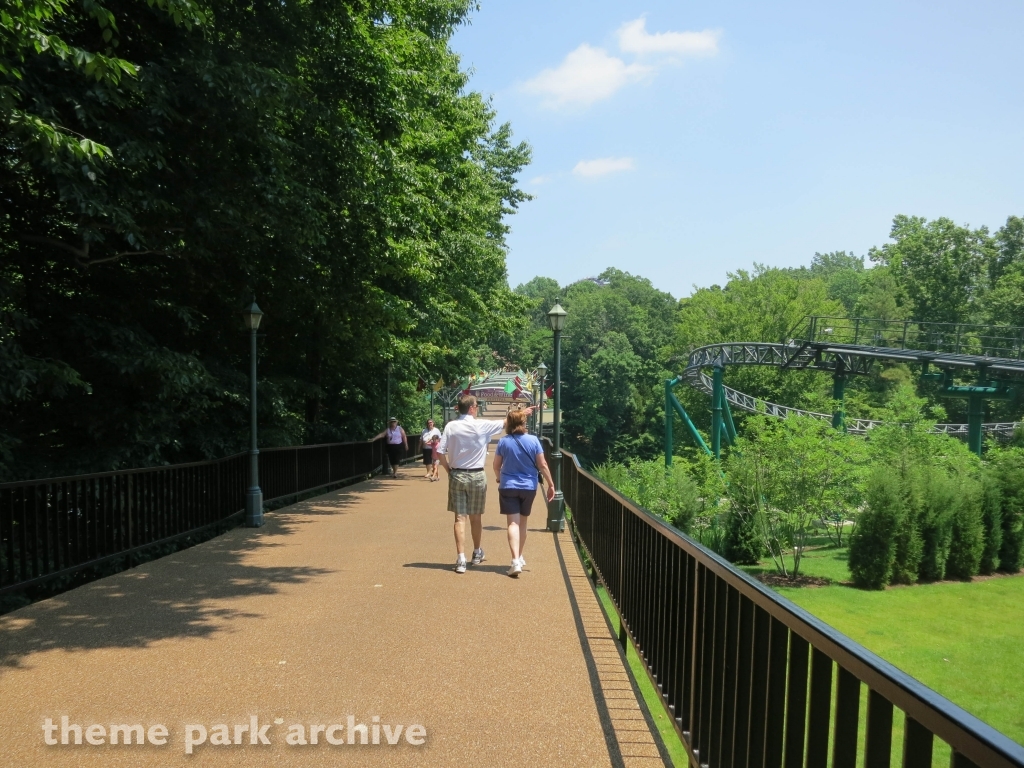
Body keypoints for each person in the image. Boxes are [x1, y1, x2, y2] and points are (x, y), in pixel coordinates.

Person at [437, 394, 536, 573]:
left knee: (460, 518)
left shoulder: (450, 426)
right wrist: (524, 412)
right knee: (476, 517)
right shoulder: (481, 425)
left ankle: (460, 559)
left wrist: (449, 471)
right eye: (477, 405)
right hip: (477, 475)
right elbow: (507, 422)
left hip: (457, 475)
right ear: (473, 408)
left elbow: (439, 451)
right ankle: (476, 552)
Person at [492, 409, 555, 577]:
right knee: (523, 523)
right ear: (523, 424)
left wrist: (499, 478)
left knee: (512, 523)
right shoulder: (533, 440)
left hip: (508, 486)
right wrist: (551, 484)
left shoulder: (504, 442)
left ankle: (514, 561)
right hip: (529, 486)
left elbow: (496, 466)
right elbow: (542, 465)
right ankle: (519, 557)